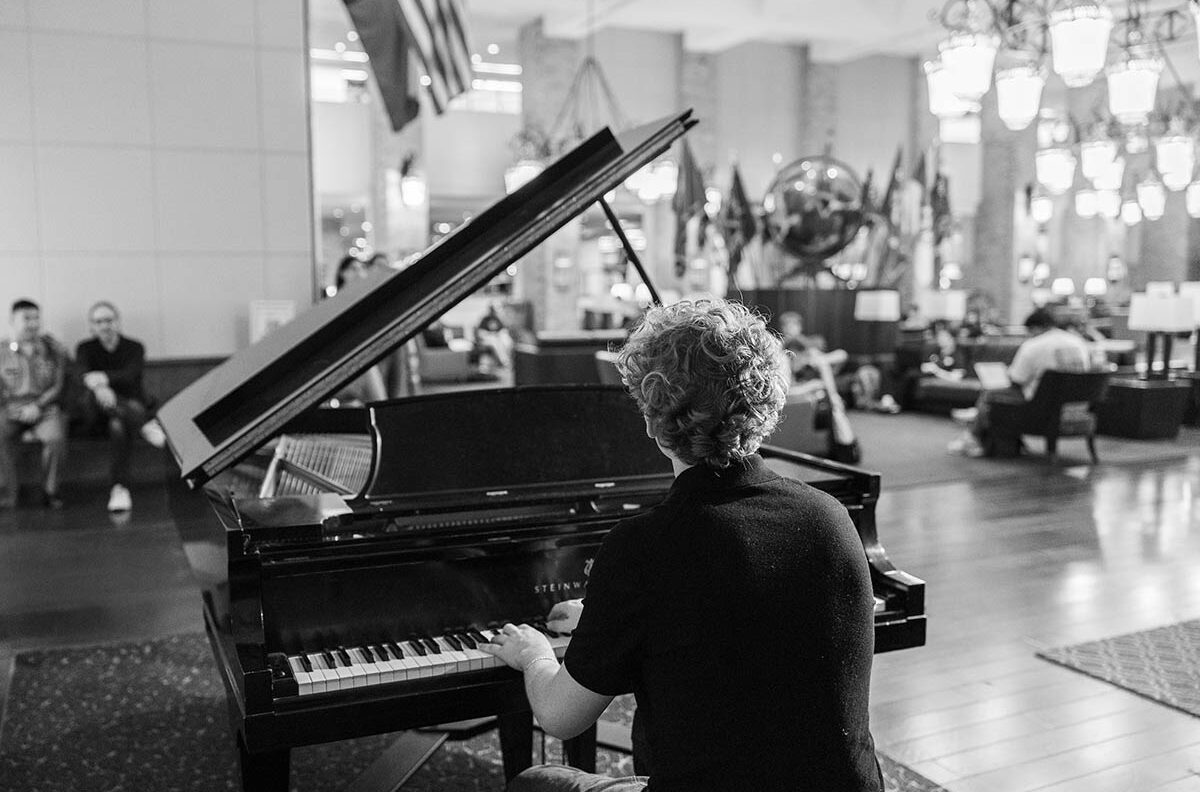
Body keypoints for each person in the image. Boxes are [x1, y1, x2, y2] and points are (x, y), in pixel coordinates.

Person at [480, 299, 884, 792]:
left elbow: (560, 717)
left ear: (653, 422)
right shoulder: (829, 516)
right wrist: (608, 620)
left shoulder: (645, 545)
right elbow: (734, 613)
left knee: (534, 782)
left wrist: (535, 654)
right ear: (765, 405)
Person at [950, 307, 1092, 457]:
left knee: (990, 394)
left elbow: (1016, 379)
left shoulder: (1034, 345)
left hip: (1041, 411)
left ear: (1035, 328)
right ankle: (976, 421)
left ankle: (973, 438)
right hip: (1078, 407)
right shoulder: (1078, 342)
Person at [74, 301, 165, 512]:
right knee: (104, 405)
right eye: (98, 321)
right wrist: (99, 390)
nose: (104, 325)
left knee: (118, 424)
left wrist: (103, 379)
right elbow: (82, 375)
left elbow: (130, 376)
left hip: (129, 411)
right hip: (97, 417)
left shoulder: (135, 347)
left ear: (117, 322)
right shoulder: (85, 348)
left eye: (108, 320)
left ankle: (119, 488)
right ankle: (143, 427)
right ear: (92, 326)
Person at [0, 299, 69, 509]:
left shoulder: (52, 349)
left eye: (36, 318)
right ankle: (7, 493)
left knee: (55, 438)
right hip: (11, 409)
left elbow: (58, 385)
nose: (32, 323)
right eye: (26, 318)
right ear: (12, 320)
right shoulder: (2, 351)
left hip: (45, 407)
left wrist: (37, 406)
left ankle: (51, 491)